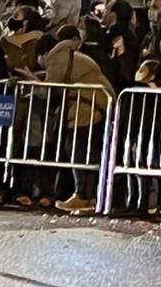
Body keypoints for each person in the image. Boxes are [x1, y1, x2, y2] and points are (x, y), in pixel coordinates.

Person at [42, 26, 115, 214]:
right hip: (95, 100)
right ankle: (85, 194)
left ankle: (83, 195)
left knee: (78, 147)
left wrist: (30, 78)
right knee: (81, 147)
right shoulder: (71, 54)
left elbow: (50, 87)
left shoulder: (56, 58)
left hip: (87, 103)